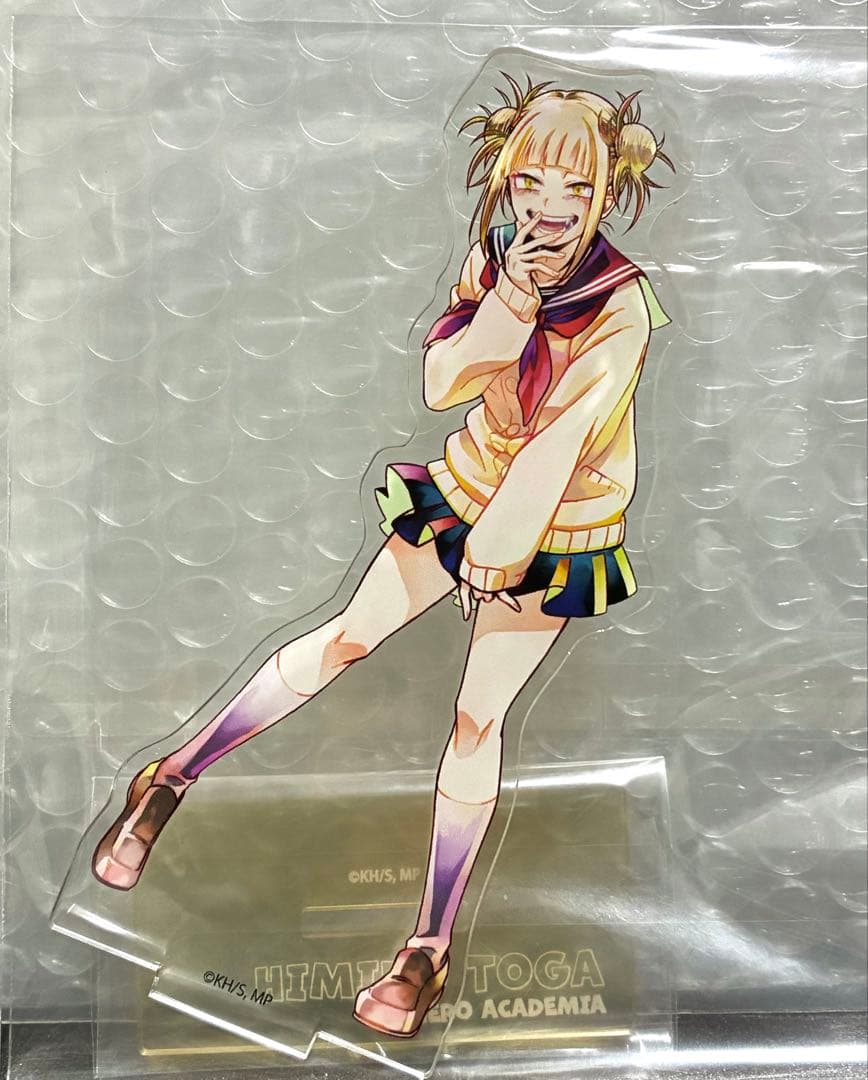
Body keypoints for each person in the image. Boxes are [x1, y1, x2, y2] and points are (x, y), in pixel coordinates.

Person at [91, 76, 673, 1040]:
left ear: (609, 191)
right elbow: (445, 381)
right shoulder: (499, 259)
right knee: (345, 640)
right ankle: (171, 778)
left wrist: (501, 548)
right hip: (470, 482)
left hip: (562, 526)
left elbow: (568, 435)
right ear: (506, 180)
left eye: (577, 187)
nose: (551, 207)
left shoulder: (624, 306)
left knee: (478, 718)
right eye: (531, 182)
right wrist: (512, 299)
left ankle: (426, 950)